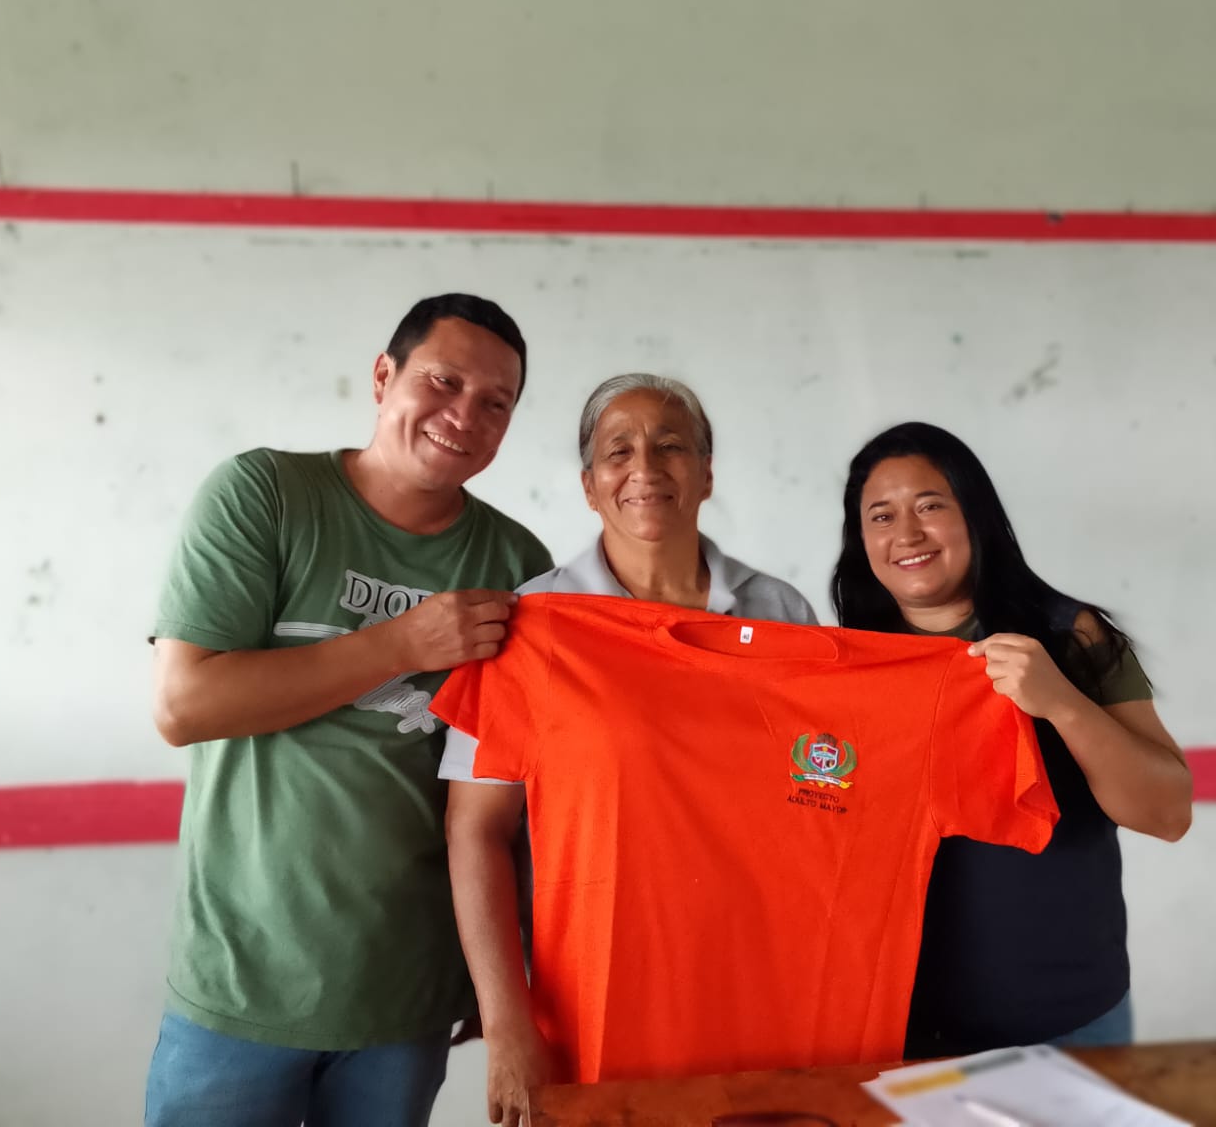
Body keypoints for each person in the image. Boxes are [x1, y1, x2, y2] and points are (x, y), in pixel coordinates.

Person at [143, 293, 553, 1127]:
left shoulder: (516, 563)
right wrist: (400, 644)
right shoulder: (265, 494)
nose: (464, 415)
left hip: (404, 998)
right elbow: (185, 705)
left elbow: (514, 797)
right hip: (240, 985)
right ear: (382, 376)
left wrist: (503, 974)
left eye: (496, 403)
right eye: (443, 381)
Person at [441, 373, 817, 1127]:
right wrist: (507, 1023)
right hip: (587, 1000)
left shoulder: (780, 612)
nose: (645, 467)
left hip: (754, 989)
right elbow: (476, 829)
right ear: (589, 486)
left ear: (706, 474)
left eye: (671, 446)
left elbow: (812, 803)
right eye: (618, 451)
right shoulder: (529, 625)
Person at [830, 421, 1192, 1057]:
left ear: (975, 514)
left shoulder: (1069, 634)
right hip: (902, 1028)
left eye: (930, 506)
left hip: (1068, 1018)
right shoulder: (845, 664)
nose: (906, 533)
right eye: (881, 516)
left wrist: (1061, 704)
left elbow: (1167, 814)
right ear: (861, 542)